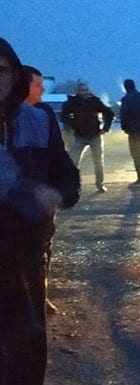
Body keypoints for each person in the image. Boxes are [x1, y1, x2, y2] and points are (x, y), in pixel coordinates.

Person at [0, 37, 80, 385]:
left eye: (1, 69)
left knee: (28, 348)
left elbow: (63, 172)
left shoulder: (37, 120)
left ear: (13, 75)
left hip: (26, 256)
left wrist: (62, 193)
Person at [23, 65, 65, 316]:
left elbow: (55, 152)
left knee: (40, 249)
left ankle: (40, 296)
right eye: (37, 85)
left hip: (41, 196)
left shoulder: (44, 112)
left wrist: (62, 185)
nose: (42, 90)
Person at [61, 81, 113, 192]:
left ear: (88, 90)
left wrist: (105, 128)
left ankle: (100, 183)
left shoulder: (95, 101)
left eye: (85, 90)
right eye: (81, 90)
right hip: (79, 135)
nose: (84, 92)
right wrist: (72, 126)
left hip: (94, 135)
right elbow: (64, 116)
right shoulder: (72, 102)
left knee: (98, 161)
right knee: (73, 161)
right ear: (77, 91)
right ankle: (74, 185)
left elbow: (109, 113)